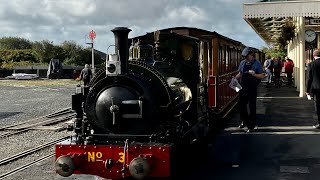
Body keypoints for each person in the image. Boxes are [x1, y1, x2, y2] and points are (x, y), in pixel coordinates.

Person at [235, 47, 264, 132]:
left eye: (247, 56)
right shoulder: (242, 63)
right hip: (243, 87)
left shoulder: (257, 64)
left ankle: (251, 125)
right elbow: (240, 73)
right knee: (241, 105)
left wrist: (254, 74)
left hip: (252, 87)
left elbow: (261, 76)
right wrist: (235, 79)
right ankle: (244, 121)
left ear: (251, 55)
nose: (245, 58)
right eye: (244, 57)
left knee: (252, 106)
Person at [306, 49, 320, 129]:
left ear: (314, 56)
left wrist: (307, 90)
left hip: (316, 89)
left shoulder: (311, 64)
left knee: (318, 106)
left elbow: (309, 78)